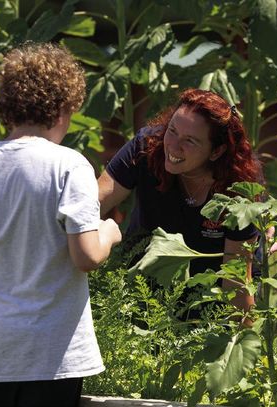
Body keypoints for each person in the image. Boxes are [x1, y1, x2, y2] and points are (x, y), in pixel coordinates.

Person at [0, 42, 122, 407]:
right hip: (48, 355)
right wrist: (108, 232)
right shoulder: (69, 165)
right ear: (66, 106)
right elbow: (86, 256)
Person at [98, 88, 263, 313]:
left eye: (190, 141)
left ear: (216, 151)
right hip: (147, 282)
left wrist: (241, 341)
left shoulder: (238, 190)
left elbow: (235, 285)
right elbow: (92, 204)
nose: (173, 146)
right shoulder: (146, 147)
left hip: (211, 296)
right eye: (172, 131)